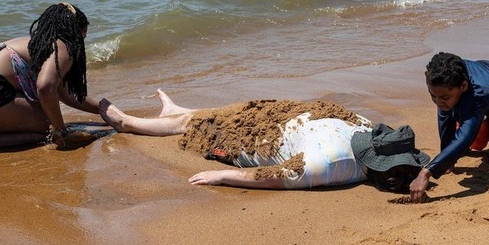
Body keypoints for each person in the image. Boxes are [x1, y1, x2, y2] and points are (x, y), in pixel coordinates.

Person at [99, 92, 430, 193]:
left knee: (204, 123)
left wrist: (222, 174)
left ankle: (131, 123)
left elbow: (276, 174)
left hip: (278, 129)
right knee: (219, 114)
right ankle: (162, 115)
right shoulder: (352, 150)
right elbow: (278, 175)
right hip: (281, 124)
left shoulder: (353, 143)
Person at [0, 3, 104, 153]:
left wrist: (101, 109)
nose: (82, 43)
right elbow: (45, 88)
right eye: (83, 37)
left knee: (28, 119)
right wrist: (60, 130)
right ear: (74, 33)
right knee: (44, 126)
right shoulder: (63, 46)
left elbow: (64, 94)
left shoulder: (36, 43)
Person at [409, 52, 489, 203]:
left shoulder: (477, 92)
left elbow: (465, 137)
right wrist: (447, 162)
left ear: (464, 86)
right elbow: (445, 119)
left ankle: (485, 123)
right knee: (475, 145)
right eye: (433, 96)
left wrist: (426, 173)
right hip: (475, 104)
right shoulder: (447, 80)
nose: (438, 102)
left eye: (443, 97)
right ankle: (481, 122)